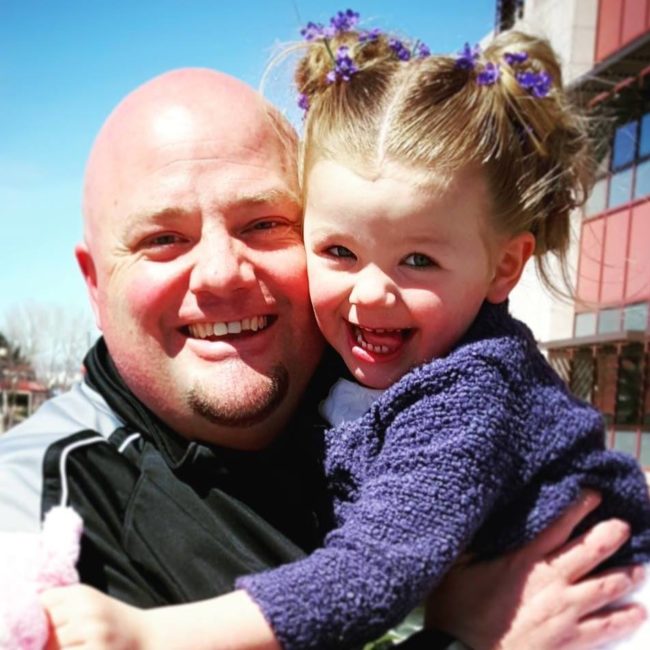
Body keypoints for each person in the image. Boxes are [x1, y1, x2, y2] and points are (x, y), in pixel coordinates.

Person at [0, 39, 644, 650]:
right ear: (92, 281)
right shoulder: (35, 512)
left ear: (503, 265)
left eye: (264, 224)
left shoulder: (434, 384)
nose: (223, 273)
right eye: (164, 239)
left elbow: (375, 568)